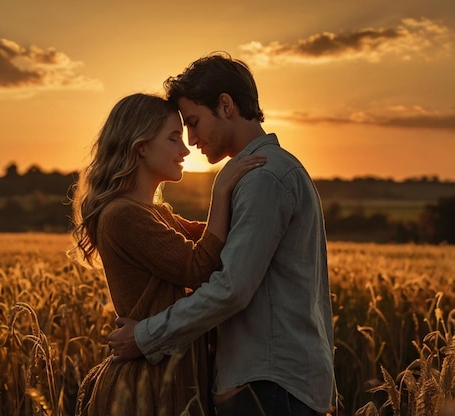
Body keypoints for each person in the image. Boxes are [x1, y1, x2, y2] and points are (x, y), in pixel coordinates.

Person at [108, 53, 335, 416]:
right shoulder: (262, 175)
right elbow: (204, 248)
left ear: (225, 106)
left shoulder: (264, 178)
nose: (191, 139)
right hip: (269, 384)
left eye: (194, 123)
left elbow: (232, 288)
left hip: (269, 386)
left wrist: (145, 336)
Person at [70, 92, 266, 415]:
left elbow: (213, 237)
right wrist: (220, 190)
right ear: (141, 146)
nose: (185, 149)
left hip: (170, 383)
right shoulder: (123, 215)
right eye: (174, 138)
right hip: (146, 390)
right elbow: (198, 265)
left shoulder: (156, 214)